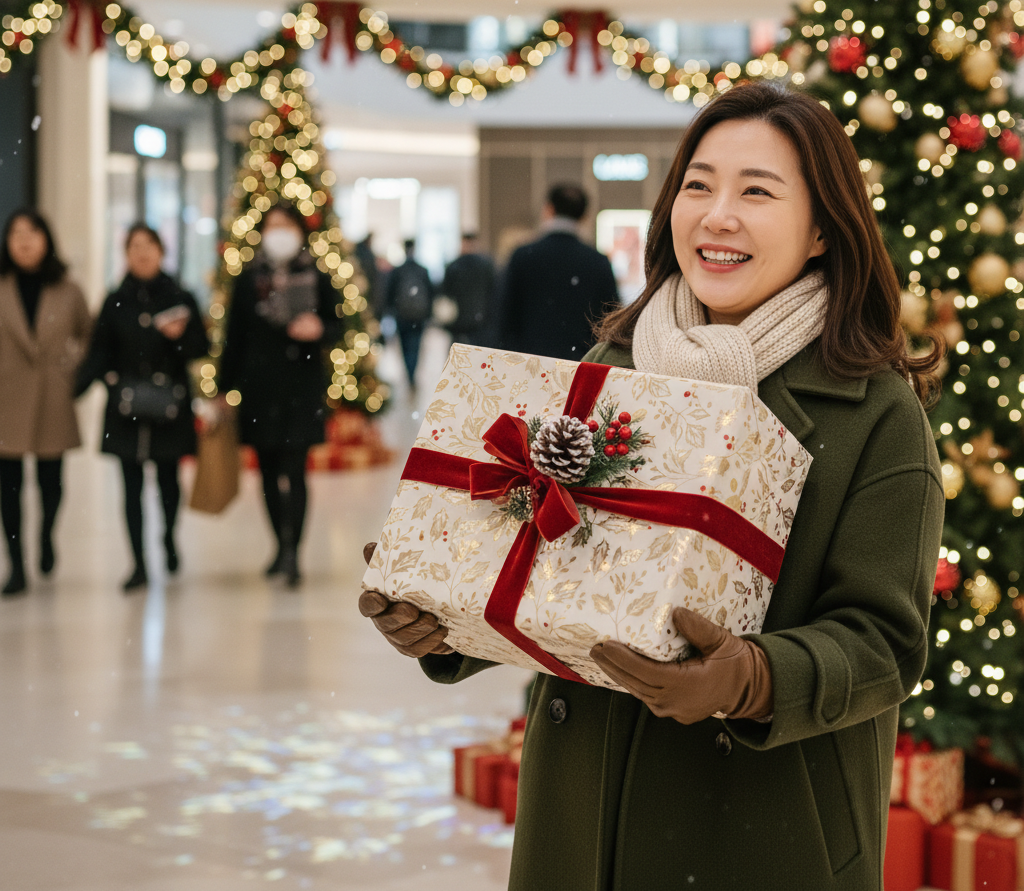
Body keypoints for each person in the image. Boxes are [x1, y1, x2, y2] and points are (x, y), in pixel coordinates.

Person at [359, 84, 945, 891]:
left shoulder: (875, 413)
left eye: (757, 192)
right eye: (699, 185)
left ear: (822, 230)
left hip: (765, 833)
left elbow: (885, 644)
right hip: (579, 817)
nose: (718, 215)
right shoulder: (612, 368)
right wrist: (446, 621)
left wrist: (752, 678)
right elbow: (554, 571)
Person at [76, 224, 208, 592]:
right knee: (130, 487)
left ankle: (168, 538)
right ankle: (138, 563)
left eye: (149, 245)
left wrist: (179, 337)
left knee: (169, 482)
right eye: (135, 246)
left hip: (171, 406)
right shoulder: (115, 300)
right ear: (126, 254)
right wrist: (87, 385)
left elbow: (201, 347)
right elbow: (99, 350)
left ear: (161, 252)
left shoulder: (180, 296)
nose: (142, 252)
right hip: (126, 408)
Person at [218, 201, 341, 587]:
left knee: (296, 469)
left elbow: (338, 324)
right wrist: (222, 388)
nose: (279, 233)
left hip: (301, 387)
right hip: (260, 389)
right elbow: (234, 336)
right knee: (268, 472)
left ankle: (293, 553)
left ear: (300, 231)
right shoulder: (249, 279)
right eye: (272, 226)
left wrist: (318, 329)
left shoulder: (317, 276)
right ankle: (280, 544)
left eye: (286, 225)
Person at [0, 212, 91, 596]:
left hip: (53, 395)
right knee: (9, 486)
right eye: (16, 233)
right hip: (7, 396)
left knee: (51, 481)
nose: (23, 241)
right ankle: (16, 563)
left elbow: (88, 335)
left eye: (32, 232)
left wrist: (71, 371)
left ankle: (46, 535)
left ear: (46, 240)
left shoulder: (68, 290)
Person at [497, 184, 619, 360]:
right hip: (581, 364)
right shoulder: (598, 261)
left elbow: (505, 317)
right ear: (585, 216)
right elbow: (610, 319)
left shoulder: (523, 256)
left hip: (530, 363)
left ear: (548, 209)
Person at [386, 239, 434, 389]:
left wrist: (390, 311)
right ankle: (412, 374)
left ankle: (409, 374)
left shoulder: (397, 271)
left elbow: (390, 294)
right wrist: (429, 314)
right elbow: (431, 293)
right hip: (419, 317)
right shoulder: (423, 270)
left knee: (405, 347)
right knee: (415, 346)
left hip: (402, 316)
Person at [440, 233, 497, 347]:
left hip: (458, 320)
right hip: (481, 318)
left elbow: (445, 293)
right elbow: (493, 291)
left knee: (459, 351)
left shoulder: (454, 266)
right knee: (478, 351)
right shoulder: (486, 265)